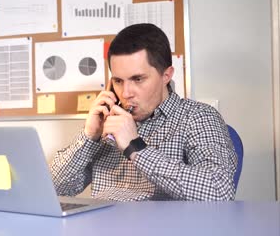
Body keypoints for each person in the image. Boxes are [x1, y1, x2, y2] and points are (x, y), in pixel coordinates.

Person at [50, 23, 237, 201]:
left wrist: (136, 148)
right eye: (118, 81)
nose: (125, 93)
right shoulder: (109, 123)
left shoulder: (197, 117)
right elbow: (53, 190)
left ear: (166, 75)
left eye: (138, 79)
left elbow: (219, 191)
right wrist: (89, 136)